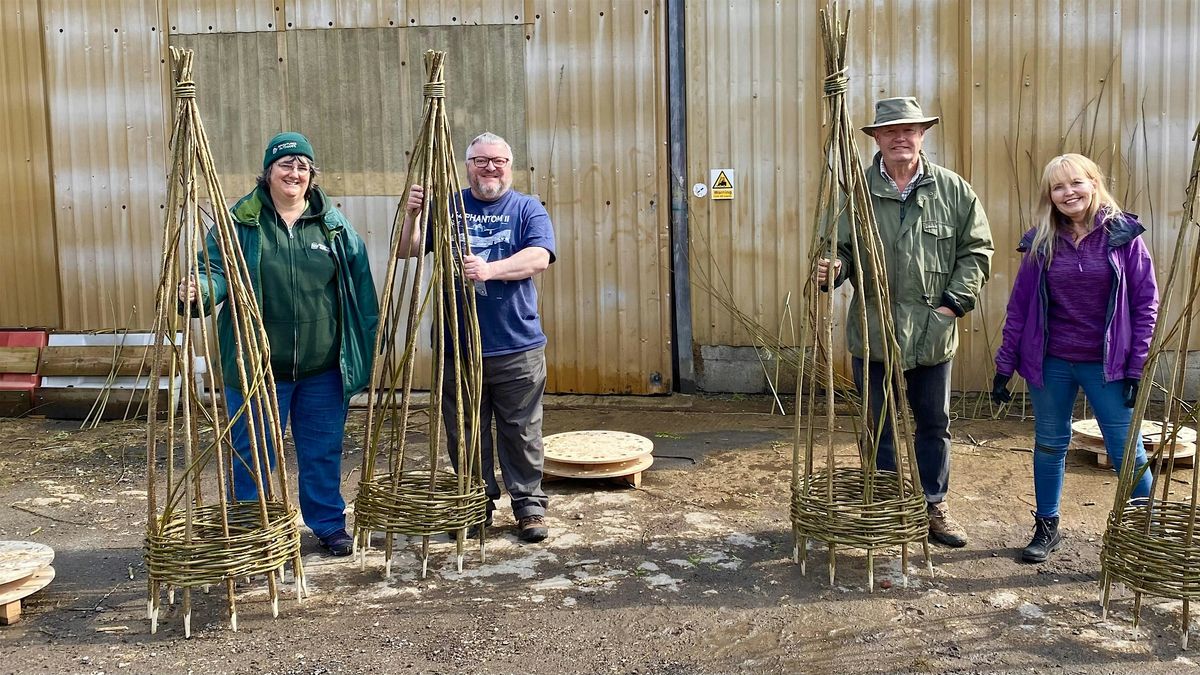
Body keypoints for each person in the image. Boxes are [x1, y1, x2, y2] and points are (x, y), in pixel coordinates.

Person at [180, 132, 379, 557]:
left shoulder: (334, 226)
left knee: (322, 451)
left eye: (302, 166)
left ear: (312, 176)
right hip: (257, 369)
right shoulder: (241, 223)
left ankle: (327, 524)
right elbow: (215, 271)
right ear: (268, 172)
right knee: (253, 454)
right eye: (285, 164)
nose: (294, 173)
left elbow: (362, 295)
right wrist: (199, 288)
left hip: (322, 370)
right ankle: (253, 530)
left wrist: (360, 352)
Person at [816, 96, 994, 548]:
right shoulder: (855, 194)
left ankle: (934, 504)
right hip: (874, 335)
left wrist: (952, 305)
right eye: (890, 131)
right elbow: (838, 250)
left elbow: (976, 252)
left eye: (909, 130)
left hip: (932, 336)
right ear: (875, 138)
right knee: (879, 424)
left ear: (922, 135)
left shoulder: (953, 190)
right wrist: (833, 268)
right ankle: (890, 505)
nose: (901, 138)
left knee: (934, 423)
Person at [992, 153, 1158, 563]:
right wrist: (1004, 366)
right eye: (1058, 187)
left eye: (1076, 183)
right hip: (1052, 363)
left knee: (1126, 448)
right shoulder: (1041, 242)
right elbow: (1020, 307)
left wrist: (1136, 364)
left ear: (1093, 183)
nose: (1069, 193)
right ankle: (1047, 527)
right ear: (1050, 196)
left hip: (1109, 365)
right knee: (1050, 443)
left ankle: (1143, 532)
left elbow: (1146, 304)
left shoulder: (1124, 237)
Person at [397, 131, 556, 543]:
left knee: (521, 430)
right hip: (458, 346)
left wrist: (489, 269)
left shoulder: (527, 208)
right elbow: (408, 251)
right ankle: (475, 506)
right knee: (465, 432)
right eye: (480, 160)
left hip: (516, 345)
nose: (489, 168)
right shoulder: (447, 208)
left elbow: (539, 256)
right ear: (467, 165)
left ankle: (529, 507)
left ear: (509, 165)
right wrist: (413, 215)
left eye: (497, 161)